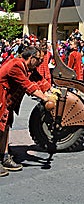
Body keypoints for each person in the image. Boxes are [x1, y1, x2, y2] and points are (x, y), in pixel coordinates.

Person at [0, 46, 52, 177]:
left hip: (7, 102)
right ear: (31, 58)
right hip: (1, 99)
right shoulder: (16, 65)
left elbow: (39, 80)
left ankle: (4, 157)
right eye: (39, 59)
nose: (41, 62)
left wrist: (52, 92)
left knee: (5, 128)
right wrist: (45, 98)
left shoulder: (28, 67)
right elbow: (27, 85)